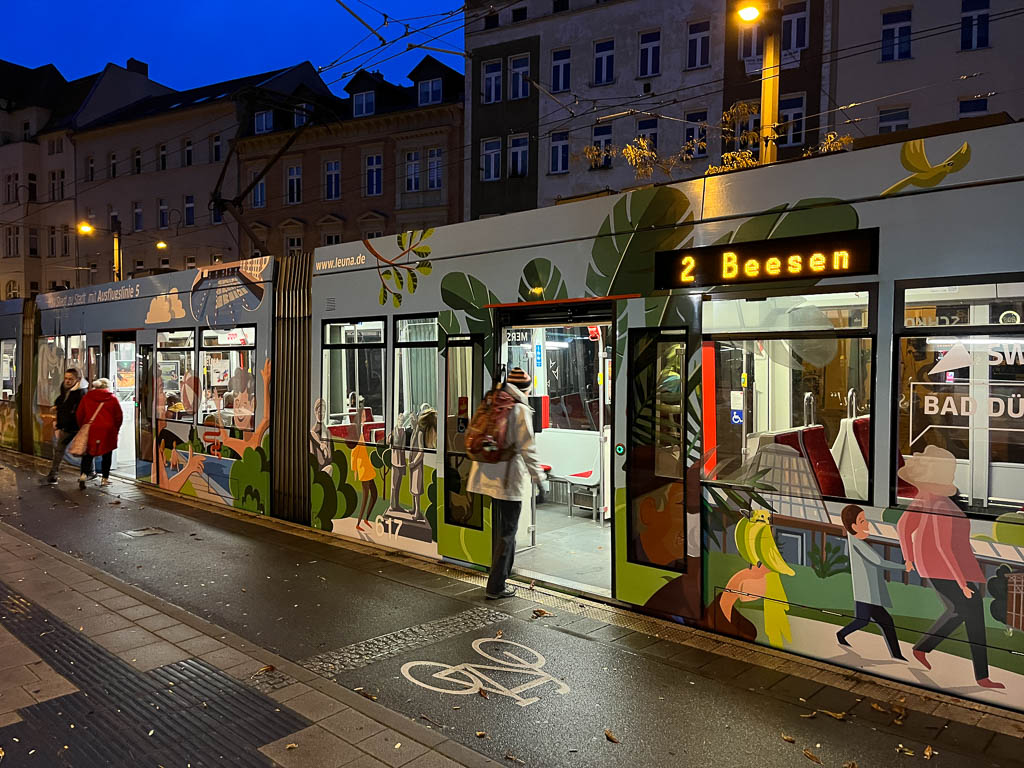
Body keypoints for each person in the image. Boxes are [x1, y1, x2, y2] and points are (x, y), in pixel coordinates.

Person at [897, 445, 1004, 689]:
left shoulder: (925, 498)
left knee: (959, 611)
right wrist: (962, 582)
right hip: (949, 569)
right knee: (973, 614)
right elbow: (943, 547)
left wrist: (909, 557)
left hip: (935, 566)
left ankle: (922, 648)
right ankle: (982, 676)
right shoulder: (942, 505)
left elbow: (903, 526)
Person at [467, 367, 547, 600]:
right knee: (508, 532)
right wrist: (540, 480)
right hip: (507, 479)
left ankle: (500, 576)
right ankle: (496, 586)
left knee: (502, 530)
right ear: (526, 388)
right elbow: (528, 448)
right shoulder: (519, 409)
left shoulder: (492, 400)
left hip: (486, 475)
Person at [836, 505, 907, 660]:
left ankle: (897, 655)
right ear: (854, 526)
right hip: (866, 593)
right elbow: (879, 561)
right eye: (862, 521)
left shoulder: (855, 540)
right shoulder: (857, 543)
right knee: (867, 621)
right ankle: (897, 655)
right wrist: (904, 567)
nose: (867, 523)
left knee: (877, 621)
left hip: (869, 593)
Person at [75, 378, 123, 489]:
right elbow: (118, 417)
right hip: (108, 430)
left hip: (91, 429)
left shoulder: (87, 397)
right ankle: (105, 479)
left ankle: (83, 475)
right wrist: (116, 429)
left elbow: (79, 414)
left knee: (88, 454)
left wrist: (83, 426)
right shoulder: (112, 399)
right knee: (107, 454)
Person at [42, 368, 87, 485]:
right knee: (60, 449)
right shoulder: (65, 388)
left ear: (77, 379)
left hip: (75, 426)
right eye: (66, 378)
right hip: (66, 425)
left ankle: (54, 475)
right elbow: (62, 400)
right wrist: (57, 405)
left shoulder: (81, 392)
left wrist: (61, 410)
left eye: (70, 379)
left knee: (80, 449)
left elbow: (74, 410)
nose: (67, 381)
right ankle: (53, 474)